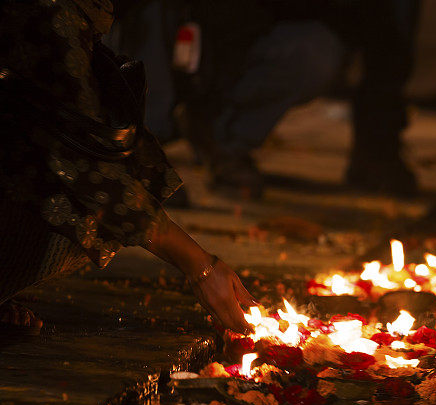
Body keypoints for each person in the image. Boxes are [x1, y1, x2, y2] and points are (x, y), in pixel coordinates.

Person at [0, 0, 255, 335]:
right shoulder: (48, 13)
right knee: (99, 216)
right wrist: (200, 266)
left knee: (130, 199)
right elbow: (89, 168)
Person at [114, 0, 420, 198]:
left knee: (316, 51)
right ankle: (137, 152)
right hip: (165, 32)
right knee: (149, 18)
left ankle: (224, 140)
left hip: (240, 46)